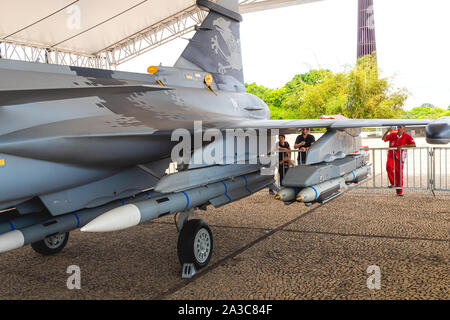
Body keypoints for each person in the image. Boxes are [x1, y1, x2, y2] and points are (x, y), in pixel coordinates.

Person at [382, 126, 416, 196]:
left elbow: (413, 145)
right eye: (398, 127)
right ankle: (393, 183)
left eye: (400, 127)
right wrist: (387, 131)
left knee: (399, 173)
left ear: (404, 128)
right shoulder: (393, 135)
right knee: (389, 167)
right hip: (391, 155)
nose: (398, 128)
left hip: (400, 156)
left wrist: (403, 146)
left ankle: (399, 191)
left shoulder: (407, 136)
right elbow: (384, 139)